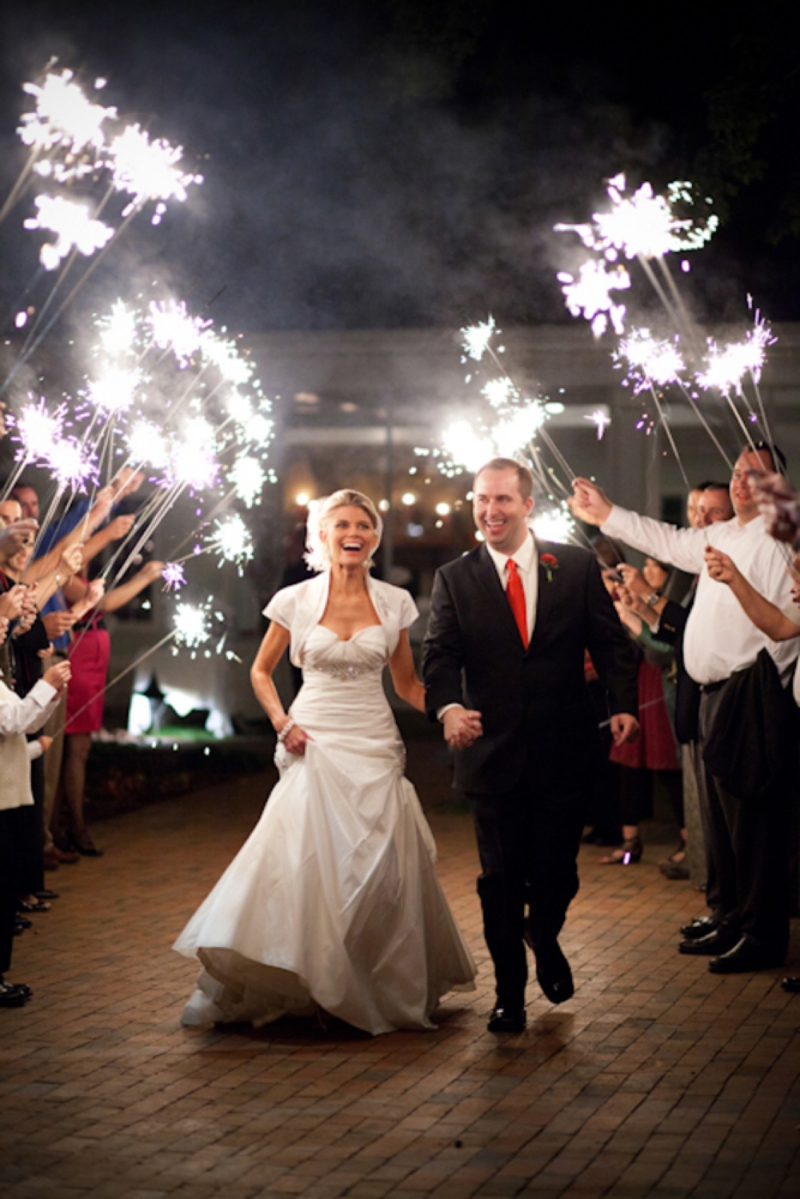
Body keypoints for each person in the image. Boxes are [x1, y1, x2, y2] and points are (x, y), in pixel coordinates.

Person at [174, 489, 476, 1035]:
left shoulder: (395, 601)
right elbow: (261, 672)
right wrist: (283, 724)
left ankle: (365, 979)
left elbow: (406, 683)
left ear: (375, 537)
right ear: (322, 535)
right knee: (304, 858)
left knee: (375, 864)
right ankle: (307, 979)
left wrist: (450, 709)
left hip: (373, 742)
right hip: (311, 738)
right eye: (341, 524)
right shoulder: (294, 600)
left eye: (363, 523)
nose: (352, 532)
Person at [422, 458, 639, 1033]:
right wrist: (447, 709)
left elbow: (610, 641)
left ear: (527, 506)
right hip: (489, 751)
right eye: (481, 500)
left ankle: (544, 930)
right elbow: (439, 655)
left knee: (558, 874)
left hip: (565, 746)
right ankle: (509, 994)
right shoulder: (454, 577)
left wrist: (622, 704)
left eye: (502, 501)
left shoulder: (571, 566)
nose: (490, 511)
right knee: (499, 879)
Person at [573, 444, 797, 973]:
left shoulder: (782, 535)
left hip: (753, 691)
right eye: (738, 473)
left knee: (753, 825)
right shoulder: (720, 535)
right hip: (713, 694)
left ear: (779, 485)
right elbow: (667, 539)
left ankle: (763, 932)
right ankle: (733, 916)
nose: (742, 483)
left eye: (757, 476)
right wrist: (606, 513)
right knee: (719, 823)